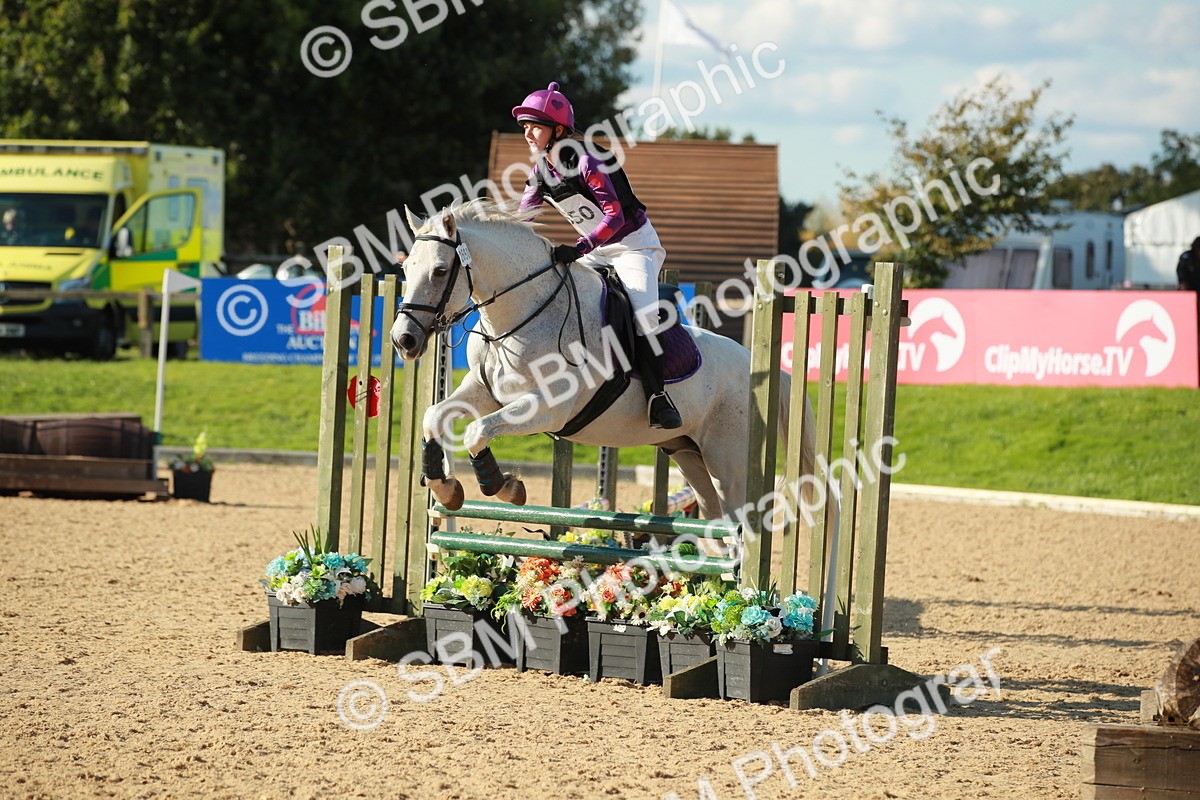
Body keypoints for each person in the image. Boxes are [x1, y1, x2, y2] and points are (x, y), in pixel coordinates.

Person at [513, 81, 682, 430]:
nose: (528, 132)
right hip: (595, 248)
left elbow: (615, 216)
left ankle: (658, 396)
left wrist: (579, 248)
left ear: (557, 130)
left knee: (645, 317)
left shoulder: (589, 160)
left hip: (633, 245)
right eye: (525, 126)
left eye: (535, 126)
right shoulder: (540, 171)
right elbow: (519, 219)